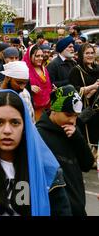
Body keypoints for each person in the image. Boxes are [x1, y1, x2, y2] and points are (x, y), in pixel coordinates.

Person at [36, 85, 95, 216]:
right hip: (56, 209)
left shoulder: (73, 131)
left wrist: (78, 138)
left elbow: (87, 164)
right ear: (54, 110)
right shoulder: (39, 136)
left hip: (78, 208)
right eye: (68, 115)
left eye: (76, 116)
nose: (72, 120)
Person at [69, 43, 99, 151]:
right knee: (87, 135)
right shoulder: (76, 70)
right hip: (84, 110)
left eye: (92, 53)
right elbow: (73, 91)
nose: (90, 55)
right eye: (87, 53)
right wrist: (92, 87)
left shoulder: (97, 68)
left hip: (97, 108)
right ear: (81, 55)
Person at [23, 45, 52, 121]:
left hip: (46, 109)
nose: (40, 58)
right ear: (30, 56)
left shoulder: (44, 69)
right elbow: (17, 86)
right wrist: (29, 87)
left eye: (42, 56)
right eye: (37, 56)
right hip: (31, 110)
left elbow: (47, 86)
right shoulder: (24, 70)